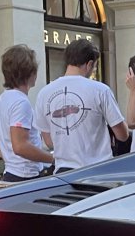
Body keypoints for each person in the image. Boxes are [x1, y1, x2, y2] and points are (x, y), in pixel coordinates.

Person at [34, 39, 128, 171]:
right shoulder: (101, 90)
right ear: (89, 64)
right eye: (94, 67)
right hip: (98, 169)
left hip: (64, 172)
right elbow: (122, 135)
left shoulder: (44, 93)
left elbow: (49, 142)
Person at [0, 44, 53, 182]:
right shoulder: (21, 103)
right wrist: (54, 159)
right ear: (30, 73)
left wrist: (7, 158)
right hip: (26, 176)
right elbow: (20, 146)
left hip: (11, 173)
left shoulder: (4, 98)